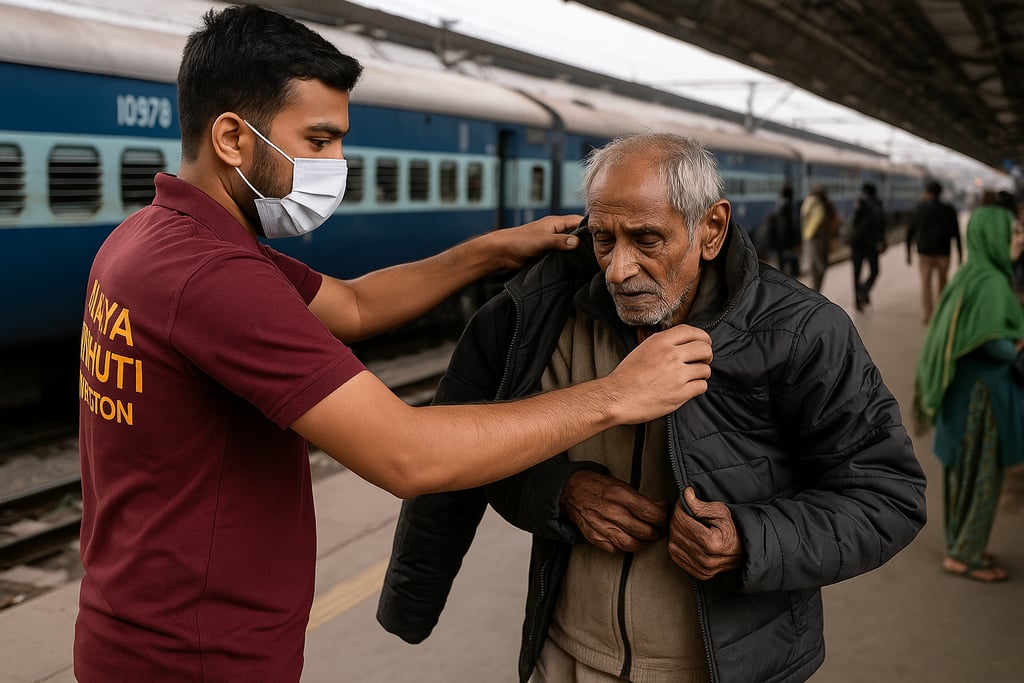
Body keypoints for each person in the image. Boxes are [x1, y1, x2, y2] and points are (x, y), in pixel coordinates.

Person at [74, 8, 716, 682]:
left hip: (135, 624)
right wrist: (616, 395)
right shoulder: (215, 277)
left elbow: (351, 304)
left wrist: (488, 251)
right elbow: (407, 454)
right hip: (198, 655)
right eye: (319, 140)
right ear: (233, 137)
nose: (336, 165)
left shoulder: (153, 238)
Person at [378, 133, 927, 683]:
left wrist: (750, 540)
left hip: (729, 669)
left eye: (646, 239)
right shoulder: (534, 316)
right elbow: (460, 460)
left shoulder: (801, 331)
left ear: (710, 229)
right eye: (603, 239)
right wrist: (557, 492)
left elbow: (888, 495)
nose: (618, 269)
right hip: (567, 657)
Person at [914, 201, 1024, 583]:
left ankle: (961, 544)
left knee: (962, 476)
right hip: (984, 399)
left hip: (961, 396)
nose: (1020, 240)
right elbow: (996, 346)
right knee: (983, 477)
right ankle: (966, 554)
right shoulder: (993, 282)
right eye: (1014, 233)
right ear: (992, 236)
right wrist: (1017, 343)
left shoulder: (971, 274)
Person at [906, 180, 962, 324]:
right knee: (942, 283)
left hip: (925, 252)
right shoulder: (948, 209)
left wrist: (908, 254)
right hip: (943, 252)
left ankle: (927, 315)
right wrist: (960, 254)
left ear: (927, 192)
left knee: (925, 284)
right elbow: (956, 233)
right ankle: (940, 314)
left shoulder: (920, 208)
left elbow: (910, 231)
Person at [849, 182, 887, 311]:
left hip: (858, 244)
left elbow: (854, 223)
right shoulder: (878, 205)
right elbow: (882, 225)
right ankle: (864, 291)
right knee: (875, 271)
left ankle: (858, 300)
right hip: (871, 244)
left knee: (856, 274)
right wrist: (882, 241)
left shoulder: (860, 204)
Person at [800, 184, 839, 291]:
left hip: (811, 239)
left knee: (813, 268)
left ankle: (815, 291)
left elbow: (805, 218)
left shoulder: (809, 204)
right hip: (822, 240)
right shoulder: (827, 206)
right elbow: (835, 222)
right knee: (820, 267)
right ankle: (817, 291)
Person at [764, 184, 801, 277]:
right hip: (788, 245)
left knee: (782, 271)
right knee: (793, 272)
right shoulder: (790, 209)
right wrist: (796, 242)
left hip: (779, 245)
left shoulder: (776, 207)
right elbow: (791, 227)